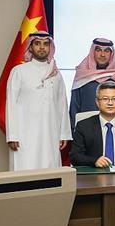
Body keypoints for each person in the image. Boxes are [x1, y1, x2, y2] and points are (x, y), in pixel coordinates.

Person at [6, 31, 71, 170]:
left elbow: (62, 105)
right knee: (25, 170)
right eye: (37, 43)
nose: (42, 47)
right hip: (24, 135)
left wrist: (64, 133)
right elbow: (10, 105)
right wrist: (12, 135)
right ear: (30, 47)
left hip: (50, 133)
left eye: (46, 44)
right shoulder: (18, 71)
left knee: (50, 170)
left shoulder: (56, 74)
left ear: (50, 47)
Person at [70, 81, 115, 167]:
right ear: (97, 102)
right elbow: (75, 156)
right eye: (105, 99)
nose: (110, 103)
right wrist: (94, 161)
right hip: (95, 173)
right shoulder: (83, 126)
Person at [69, 38, 115, 130]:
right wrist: (73, 131)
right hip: (86, 130)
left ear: (111, 54)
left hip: (114, 131)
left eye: (106, 51)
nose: (102, 54)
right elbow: (74, 107)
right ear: (93, 52)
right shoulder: (82, 75)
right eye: (98, 50)